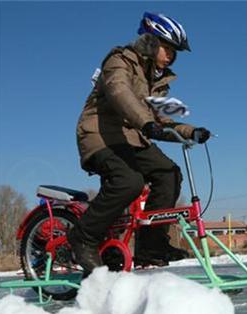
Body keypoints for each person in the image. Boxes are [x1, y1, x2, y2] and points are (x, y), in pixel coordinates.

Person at [67, 12, 211, 273]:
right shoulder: (120, 61)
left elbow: (161, 118)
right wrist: (145, 123)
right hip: (99, 136)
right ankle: (83, 238)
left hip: (132, 139)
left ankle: (151, 247)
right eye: (167, 48)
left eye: (174, 52)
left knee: (168, 173)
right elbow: (119, 93)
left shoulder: (157, 81)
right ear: (151, 42)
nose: (171, 56)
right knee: (129, 181)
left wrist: (191, 132)